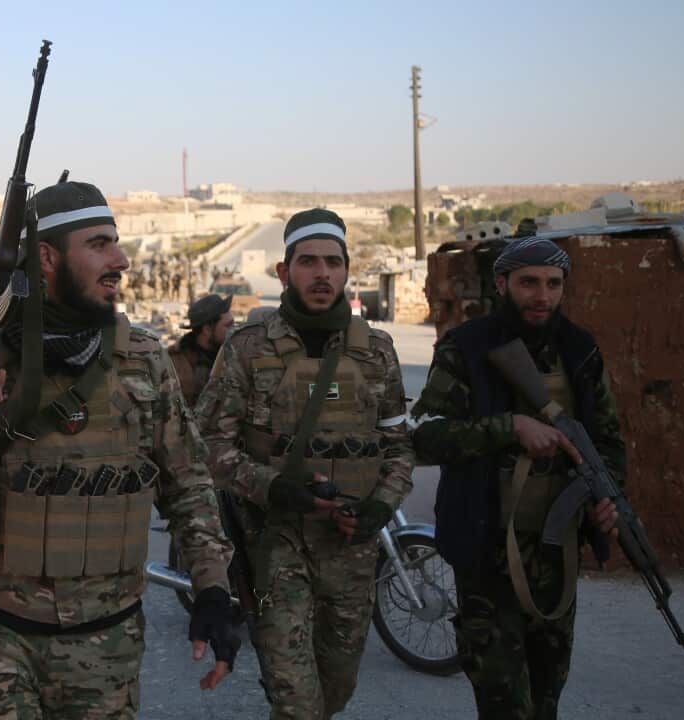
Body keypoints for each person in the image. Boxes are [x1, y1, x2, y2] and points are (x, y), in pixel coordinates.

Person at [0, 180, 240, 719]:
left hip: (106, 644)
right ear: (46, 257)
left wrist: (214, 591)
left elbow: (189, 487)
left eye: (117, 243)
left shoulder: (145, 360)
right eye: (100, 244)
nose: (122, 260)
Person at [196, 208, 415, 719]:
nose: (322, 274)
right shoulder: (248, 349)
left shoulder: (375, 351)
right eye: (308, 261)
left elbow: (399, 446)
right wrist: (272, 487)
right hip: (278, 549)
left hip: (351, 550)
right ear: (283, 271)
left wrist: (381, 506)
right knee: (297, 701)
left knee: (335, 692)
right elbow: (207, 445)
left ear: (346, 270)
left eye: (333, 263)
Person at [410, 236, 623, 720]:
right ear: (503, 283)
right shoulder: (465, 348)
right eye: (529, 283)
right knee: (504, 703)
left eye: (553, 284)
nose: (542, 295)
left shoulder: (579, 350)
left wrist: (608, 498)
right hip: (486, 553)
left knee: (547, 698)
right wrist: (509, 428)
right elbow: (425, 436)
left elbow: (607, 441)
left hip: (555, 552)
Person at [167, 294, 233, 409]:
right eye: (228, 326)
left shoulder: (234, 355)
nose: (233, 330)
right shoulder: (173, 362)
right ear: (207, 329)